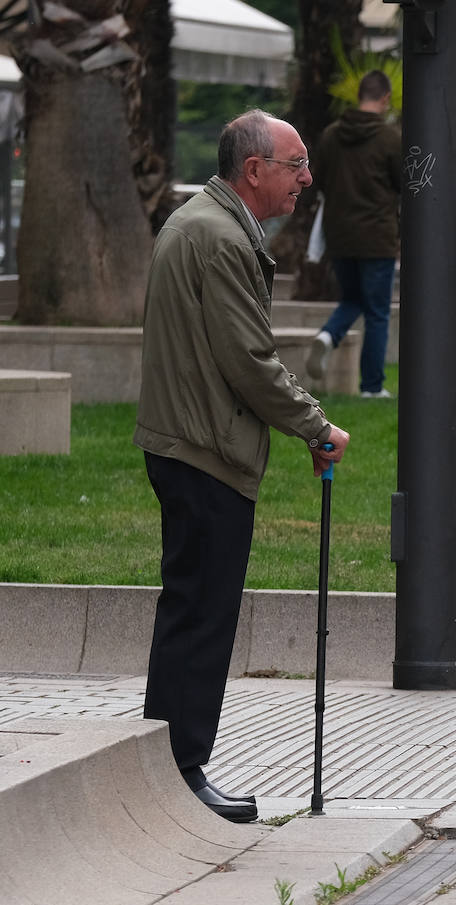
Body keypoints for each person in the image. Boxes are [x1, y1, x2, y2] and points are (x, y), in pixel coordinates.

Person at [134, 110, 351, 823]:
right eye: (295, 164)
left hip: (186, 442)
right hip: (205, 451)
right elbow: (249, 359)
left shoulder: (200, 223)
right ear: (253, 169)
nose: (305, 178)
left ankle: (170, 767)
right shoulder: (221, 237)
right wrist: (315, 425)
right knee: (202, 617)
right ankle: (181, 771)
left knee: (189, 610)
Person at [305, 70, 404, 398]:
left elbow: (318, 181)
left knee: (352, 299)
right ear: (385, 98)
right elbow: (404, 185)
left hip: (339, 236)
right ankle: (372, 388)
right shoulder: (390, 139)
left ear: (359, 95)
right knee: (376, 312)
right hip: (377, 237)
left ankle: (329, 335)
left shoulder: (331, 136)